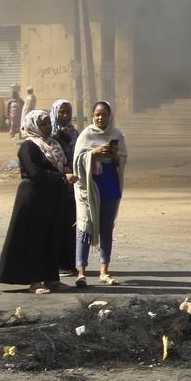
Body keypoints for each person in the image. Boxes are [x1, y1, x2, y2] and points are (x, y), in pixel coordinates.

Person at [0, 110, 79, 293]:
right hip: (34, 198)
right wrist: (62, 178)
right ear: (33, 126)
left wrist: (65, 170)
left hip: (54, 198)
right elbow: (34, 173)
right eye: (43, 124)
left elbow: (58, 166)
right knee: (35, 239)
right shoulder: (29, 146)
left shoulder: (53, 145)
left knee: (53, 237)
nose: (48, 127)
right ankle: (34, 281)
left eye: (49, 123)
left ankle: (51, 278)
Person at [73, 100, 127, 287]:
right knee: (85, 227)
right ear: (93, 116)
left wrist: (114, 154)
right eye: (97, 114)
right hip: (89, 189)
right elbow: (77, 160)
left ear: (109, 116)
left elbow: (122, 162)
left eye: (104, 114)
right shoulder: (86, 135)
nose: (100, 118)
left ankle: (104, 272)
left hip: (110, 187)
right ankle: (81, 272)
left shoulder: (116, 134)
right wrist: (94, 152)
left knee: (106, 230)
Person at [50, 99, 79, 276]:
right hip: (55, 184)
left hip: (71, 184)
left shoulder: (75, 133)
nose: (65, 115)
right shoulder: (49, 134)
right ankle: (55, 263)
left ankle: (69, 263)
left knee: (70, 223)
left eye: (68, 111)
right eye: (61, 112)